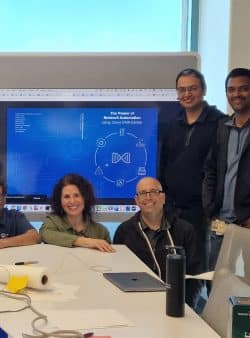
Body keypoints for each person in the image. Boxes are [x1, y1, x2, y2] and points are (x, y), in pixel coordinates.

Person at [203, 67, 250, 273]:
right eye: (231, 89)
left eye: (243, 89)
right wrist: (210, 209)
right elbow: (211, 170)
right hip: (221, 222)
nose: (236, 94)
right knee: (216, 280)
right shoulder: (221, 127)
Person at [159, 68, 224, 278]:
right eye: (182, 89)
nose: (187, 94)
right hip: (172, 210)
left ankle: (195, 310)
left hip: (202, 213)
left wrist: (211, 207)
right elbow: (164, 163)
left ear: (203, 90)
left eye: (192, 88)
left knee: (199, 271)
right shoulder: (172, 125)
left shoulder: (220, 124)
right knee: (174, 268)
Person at [113, 177, 199, 305]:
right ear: (137, 200)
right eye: (142, 193)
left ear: (163, 198)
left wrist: (184, 306)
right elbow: (117, 273)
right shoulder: (124, 231)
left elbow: (194, 275)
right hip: (135, 302)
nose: (148, 197)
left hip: (175, 302)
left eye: (153, 191)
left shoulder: (184, 230)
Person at [39, 173, 114, 252]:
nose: (72, 201)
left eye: (76, 195)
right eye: (66, 197)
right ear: (59, 200)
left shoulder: (101, 231)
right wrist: (86, 242)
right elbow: (44, 234)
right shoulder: (52, 223)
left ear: (85, 198)